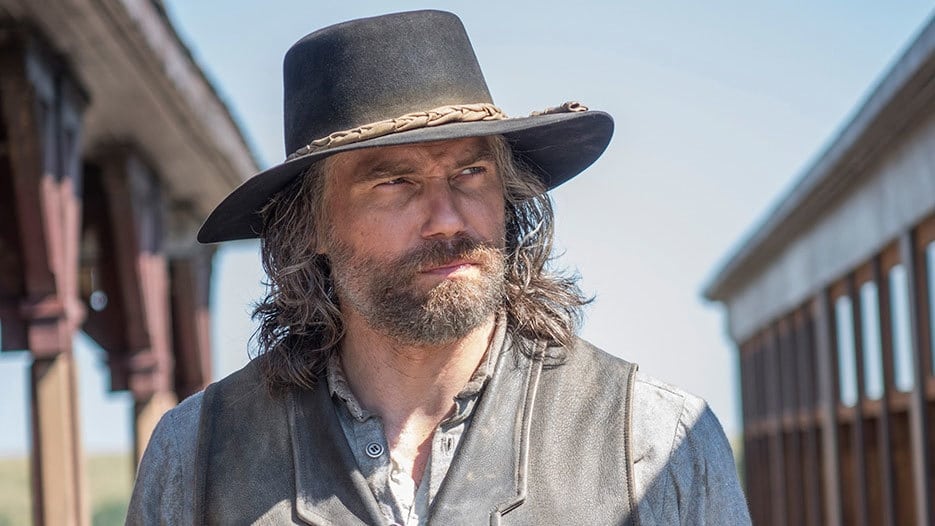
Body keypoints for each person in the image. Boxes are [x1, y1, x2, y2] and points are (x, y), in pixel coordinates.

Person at [127, 10, 750, 525]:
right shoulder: (197, 458)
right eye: (395, 183)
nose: (447, 219)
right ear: (310, 223)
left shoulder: (654, 441)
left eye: (471, 173)